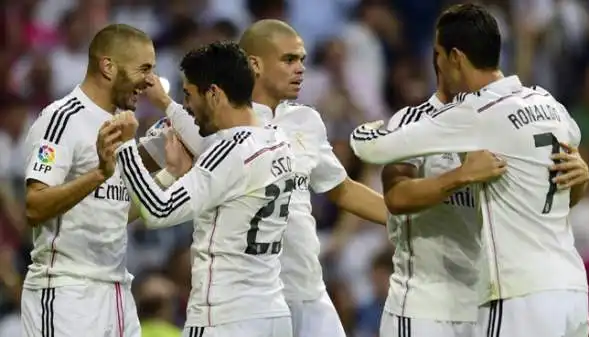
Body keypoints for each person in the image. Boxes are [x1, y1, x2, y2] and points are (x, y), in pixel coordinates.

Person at [350, 4, 589, 337]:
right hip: (565, 290)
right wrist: (582, 170)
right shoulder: (548, 103)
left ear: (455, 57)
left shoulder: (479, 110)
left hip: (512, 293)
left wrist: (367, 130)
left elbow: (369, 147)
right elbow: (395, 198)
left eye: (437, 52)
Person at [142, 19, 387, 337]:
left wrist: (405, 218)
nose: (300, 68)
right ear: (254, 64)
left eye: (302, 60)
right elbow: (148, 169)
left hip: (307, 292)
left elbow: (341, 190)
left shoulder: (305, 120)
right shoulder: (208, 119)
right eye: (289, 60)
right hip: (245, 302)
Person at [113, 41, 296, 337]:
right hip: (272, 314)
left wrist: (125, 146)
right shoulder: (277, 140)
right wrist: (166, 104)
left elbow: (157, 211)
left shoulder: (226, 153)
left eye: (188, 95)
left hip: (223, 318)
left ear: (214, 94)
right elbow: (216, 148)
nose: (186, 106)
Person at [20, 24, 170, 337]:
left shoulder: (121, 125)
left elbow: (113, 209)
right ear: (107, 66)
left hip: (117, 293)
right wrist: (100, 173)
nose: (150, 80)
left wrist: (169, 173)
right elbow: (34, 207)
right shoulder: (61, 119)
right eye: (143, 68)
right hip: (66, 292)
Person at [378, 58, 506, 336]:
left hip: (482, 306)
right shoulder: (414, 121)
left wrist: (577, 179)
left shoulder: (495, 127)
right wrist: (462, 175)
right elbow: (396, 198)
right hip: (424, 308)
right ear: (449, 60)